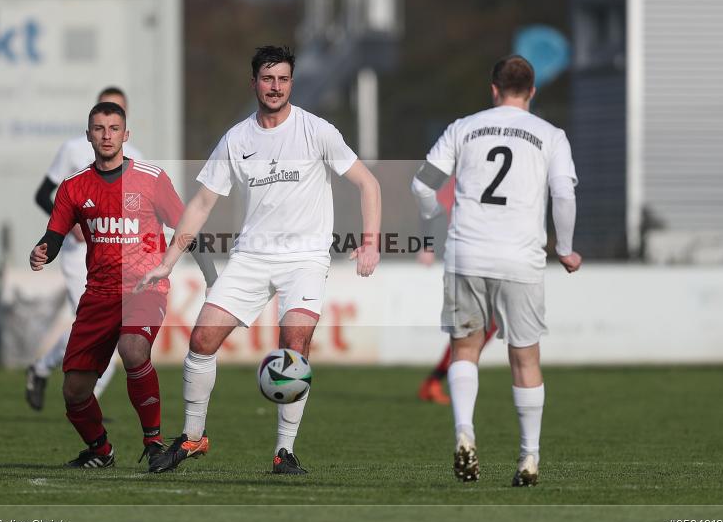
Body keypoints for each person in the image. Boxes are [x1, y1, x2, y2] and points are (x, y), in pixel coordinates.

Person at [140, 45, 382, 475]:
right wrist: (169, 259)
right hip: (251, 257)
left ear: (292, 83)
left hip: (305, 259)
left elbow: (368, 184)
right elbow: (201, 204)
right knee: (201, 341)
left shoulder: (317, 131)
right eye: (268, 79)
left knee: (294, 346)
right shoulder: (236, 139)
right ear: (254, 83)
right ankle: (193, 437)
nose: (275, 87)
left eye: (283, 79)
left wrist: (370, 242)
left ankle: (284, 452)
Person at [411, 55, 581, 487]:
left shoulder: (462, 128)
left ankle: (464, 432)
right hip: (520, 258)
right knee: (525, 359)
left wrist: (433, 218)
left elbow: (422, 184)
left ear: (493, 89)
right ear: (532, 91)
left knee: (464, 350)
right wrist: (565, 249)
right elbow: (564, 195)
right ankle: (529, 457)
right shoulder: (551, 135)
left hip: (466, 254)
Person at [29, 101, 216, 468]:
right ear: (88, 136)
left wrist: (212, 277)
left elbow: (187, 229)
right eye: (99, 129)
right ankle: (101, 452)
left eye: (114, 129)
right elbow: (54, 235)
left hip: (144, 288)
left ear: (125, 135)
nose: (107, 136)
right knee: (74, 391)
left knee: (133, 350)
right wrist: (41, 252)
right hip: (98, 294)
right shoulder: (73, 186)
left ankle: (154, 442)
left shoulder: (151, 178)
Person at [25, 87, 143, 411]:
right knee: (96, 331)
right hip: (79, 255)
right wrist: (71, 224)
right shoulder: (74, 149)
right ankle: (84, 404)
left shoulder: (137, 158)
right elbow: (43, 195)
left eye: (116, 117)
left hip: (118, 258)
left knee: (106, 335)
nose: (107, 131)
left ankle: (45, 371)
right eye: (103, 117)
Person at [416, 176, 497, 406]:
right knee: (471, 328)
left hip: (493, 257)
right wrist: (427, 246)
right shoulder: (463, 177)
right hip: (467, 257)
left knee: (490, 325)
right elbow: (428, 206)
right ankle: (441, 379)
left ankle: (440, 378)